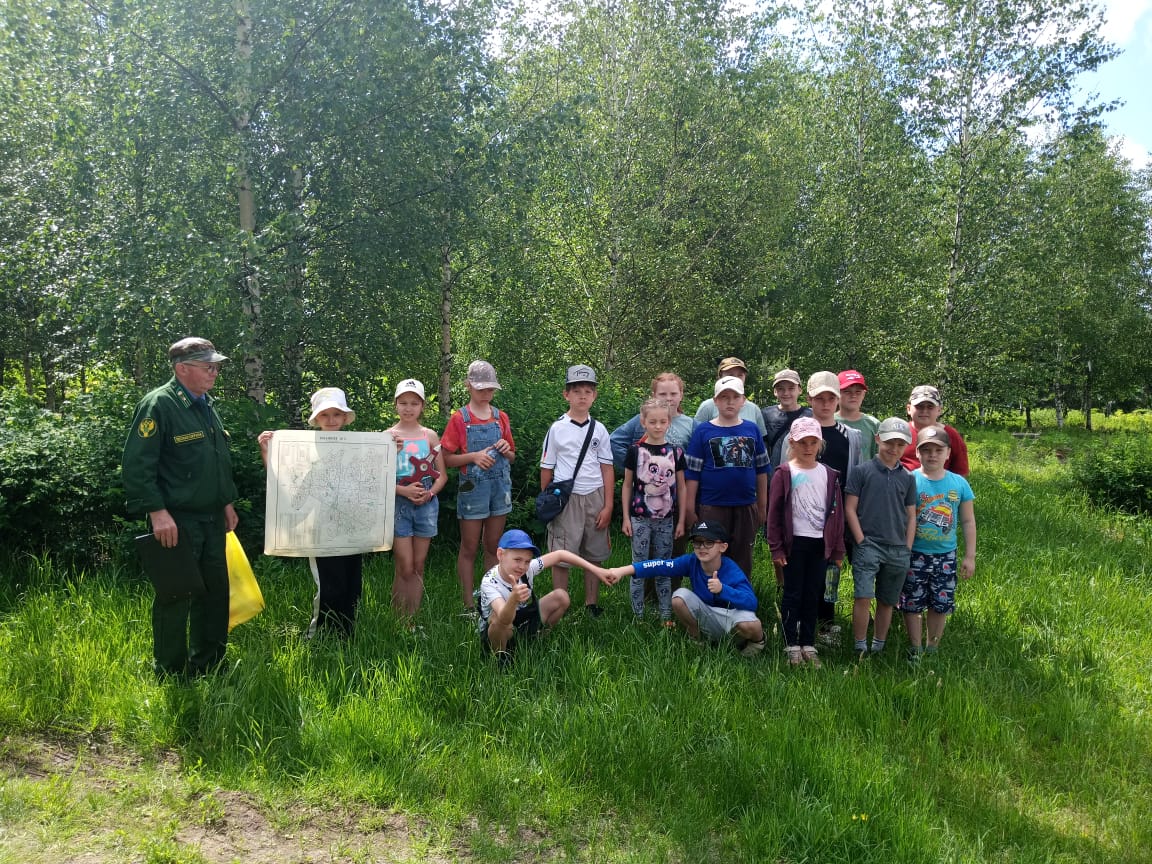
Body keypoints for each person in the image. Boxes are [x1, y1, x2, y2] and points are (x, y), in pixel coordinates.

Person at [122, 337, 239, 678]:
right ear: (182, 368)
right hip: (176, 519)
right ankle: (170, 672)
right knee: (176, 595)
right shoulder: (158, 405)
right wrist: (157, 513)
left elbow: (216, 460)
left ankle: (210, 666)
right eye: (208, 367)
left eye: (215, 366)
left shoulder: (206, 404)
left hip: (212, 517)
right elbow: (137, 466)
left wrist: (226, 501)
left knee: (215, 594)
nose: (214, 372)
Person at [258, 387, 363, 638]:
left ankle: (346, 631)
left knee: (352, 582)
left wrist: (394, 451)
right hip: (320, 530)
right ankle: (320, 635)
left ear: (344, 417)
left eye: (336, 414)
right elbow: (285, 481)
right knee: (330, 583)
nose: (331, 420)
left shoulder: (357, 446)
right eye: (325, 415)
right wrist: (266, 451)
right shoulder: (304, 449)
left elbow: (371, 476)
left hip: (351, 528)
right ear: (316, 419)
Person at [606, 521, 766, 656]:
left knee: (752, 625)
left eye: (709, 543)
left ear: (722, 547)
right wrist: (622, 571)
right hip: (708, 616)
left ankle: (757, 642)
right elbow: (660, 566)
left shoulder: (731, 569)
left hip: (731, 619)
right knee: (679, 597)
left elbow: (752, 602)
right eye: (697, 542)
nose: (702, 547)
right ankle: (696, 641)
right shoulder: (691, 561)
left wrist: (723, 589)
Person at [766, 417, 845, 667]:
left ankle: (808, 643)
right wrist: (776, 547)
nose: (808, 447)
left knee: (813, 593)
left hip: (820, 545)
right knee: (793, 593)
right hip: (794, 544)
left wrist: (838, 549)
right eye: (803, 442)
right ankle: (791, 644)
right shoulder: (785, 473)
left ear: (820, 444)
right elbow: (774, 513)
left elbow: (838, 514)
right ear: (792, 443)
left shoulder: (829, 475)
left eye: (813, 442)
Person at [440, 360, 516, 616]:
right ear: (469, 386)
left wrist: (507, 450)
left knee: (494, 545)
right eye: (481, 389)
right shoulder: (459, 420)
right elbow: (446, 459)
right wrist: (472, 457)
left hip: (499, 489)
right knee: (470, 546)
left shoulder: (500, 417)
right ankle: (468, 603)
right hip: (473, 491)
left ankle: (489, 599)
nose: (486, 394)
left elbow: (513, 456)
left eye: (490, 390)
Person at [539, 365, 614, 616]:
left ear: (594, 396)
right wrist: (550, 501)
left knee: (594, 551)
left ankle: (591, 603)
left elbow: (607, 469)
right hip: (566, 499)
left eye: (588, 391)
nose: (582, 396)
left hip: (594, 496)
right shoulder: (557, 429)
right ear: (566, 395)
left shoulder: (600, 430)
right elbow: (547, 469)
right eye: (577, 391)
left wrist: (608, 505)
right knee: (562, 553)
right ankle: (561, 600)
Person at [478, 529, 618, 662]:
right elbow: (503, 617)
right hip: (497, 628)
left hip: (519, 617)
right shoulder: (490, 582)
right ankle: (501, 657)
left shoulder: (527, 569)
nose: (522, 566)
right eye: (517, 560)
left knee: (561, 597)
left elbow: (560, 555)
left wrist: (596, 570)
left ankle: (536, 640)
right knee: (498, 620)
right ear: (500, 555)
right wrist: (514, 599)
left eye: (527, 561)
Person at [900, 425, 976, 663]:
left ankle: (932, 647)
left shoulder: (959, 483)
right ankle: (915, 647)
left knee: (940, 603)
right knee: (912, 602)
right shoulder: (909, 480)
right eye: (926, 450)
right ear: (917, 454)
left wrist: (969, 556)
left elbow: (967, 520)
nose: (932, 455)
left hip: (946, 555)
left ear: (948, 453)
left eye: (938, 450)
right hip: (914, 553)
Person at [683, 375, 770, 580]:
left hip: (746, 505)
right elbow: (692, 473)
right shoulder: (704, 431)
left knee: (743, 555)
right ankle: (709, 601)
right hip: (712, 505)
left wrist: (762, 506)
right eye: (724, 397)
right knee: (710, 554)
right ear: (715, 401)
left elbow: (761, 470)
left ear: (743, 400)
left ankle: (738, 601)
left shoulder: (752, 429)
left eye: (734, 396)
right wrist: (689, 508)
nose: (729, 402)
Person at [844, 417, 917, 657]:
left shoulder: (907, 478)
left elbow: (911, 515)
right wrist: (861, 540)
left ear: (906, 446)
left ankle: (879, 644)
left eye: (899, 444)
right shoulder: (862, 471)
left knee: (887, 600)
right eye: (888, 442)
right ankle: (859, 644)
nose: (893, 449)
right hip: (869, 545)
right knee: (863, 595)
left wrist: (907, 546)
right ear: (877, 439)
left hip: (897, 548)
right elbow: (850, 509)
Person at [804, 370, 862, 640]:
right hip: (803, 514)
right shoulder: (799, 431)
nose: (825, 404)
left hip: (836, 516)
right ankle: (802, 620)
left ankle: (827, 622)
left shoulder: (851, 436)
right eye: (819, 399)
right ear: (809, 399)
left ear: (838, 400)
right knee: (804, 566)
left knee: (831, 568)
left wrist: (852, 517)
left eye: (831, 398)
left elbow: (855, 477)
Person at [621, 398, 686, 622]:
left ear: (669, 422)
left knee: (663, 566)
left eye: (662, 421)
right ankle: (638, 615)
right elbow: (627, 485)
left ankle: (666, 613)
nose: (657, 426)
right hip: (640, 518)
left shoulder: (676, 452)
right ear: (643, 422)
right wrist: (626, 518)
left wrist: (681, 520)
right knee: (639, 566)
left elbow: (682, 486)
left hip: (666, 520)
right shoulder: (635, 451)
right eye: (652, 421)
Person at [388, 379, 447, 620]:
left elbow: (442, 475)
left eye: (414, 403)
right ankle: (397, 618)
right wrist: (403, 491)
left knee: (419, 566)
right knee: (405, 566)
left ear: (422, 406)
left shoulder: (429, 435)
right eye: (403, 403)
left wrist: (429, 493)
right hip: (399, 501)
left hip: (426, 503)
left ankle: (411, 619)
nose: (408, 408)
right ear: (396, 405)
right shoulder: (388, 437)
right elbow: (378, 478)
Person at [610, 372, 696, 470]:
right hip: (644, 483)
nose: (668, 398)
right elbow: (614, 442)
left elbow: (697, 460)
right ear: (654, 395)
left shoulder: (692, 425)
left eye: (673, 394)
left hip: (675, 483)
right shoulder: (641, 420)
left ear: (681, 395)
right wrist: (636, 467)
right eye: (663, 394)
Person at [900, 385, 970, 476]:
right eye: (919, 406)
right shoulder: (899, 433)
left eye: (930, 407)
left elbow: (960, 473)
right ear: (908, 409)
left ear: (939, 410)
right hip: (902, 487)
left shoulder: (950, 435)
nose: (924, 411)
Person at [694, 357, 768, 436]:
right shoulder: (707, 407)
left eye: (740, 375)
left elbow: (762, 441)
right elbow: (696, 437)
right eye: (730, 375)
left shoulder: (754, 409)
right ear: (720, 377)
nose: (736, 379)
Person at [762, 368, 812, 469]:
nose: (786, 393)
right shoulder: (766, 414)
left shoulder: (810, 415)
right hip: (773, 475)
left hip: (802, 474)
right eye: (781, 389)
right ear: (775, 391)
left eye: (791, 388)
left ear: (800, 390)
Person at [835, 370, 879, 461]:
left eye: (858, 392)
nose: (853, 395)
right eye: (847, 392)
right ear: (837, 394)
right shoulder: (828, 421)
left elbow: (879, 459)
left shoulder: (873, 424)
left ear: (863, 394)